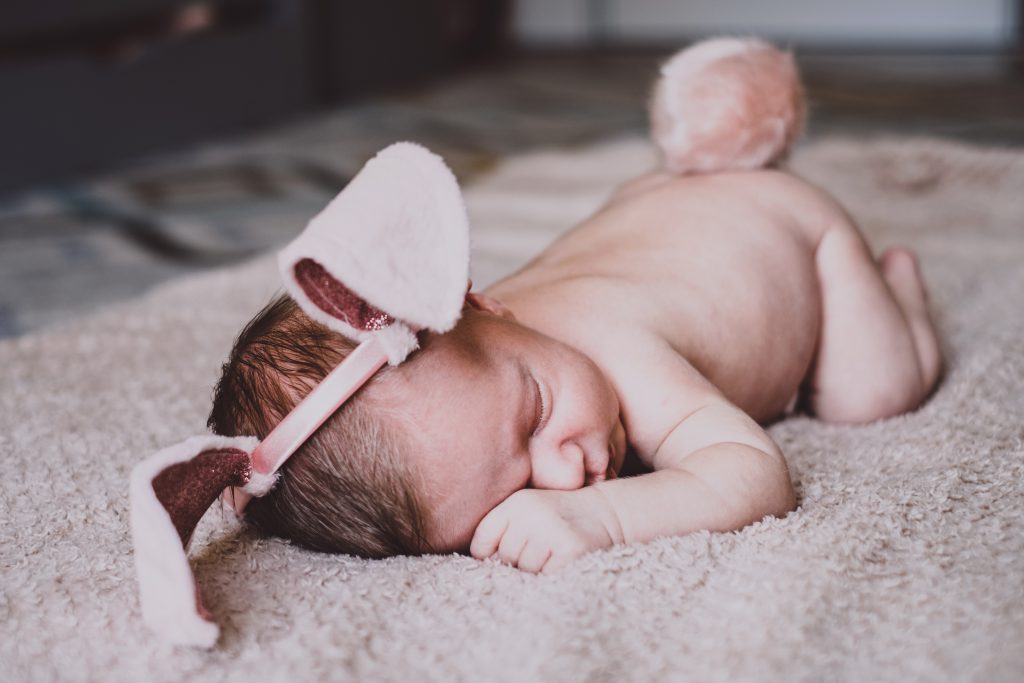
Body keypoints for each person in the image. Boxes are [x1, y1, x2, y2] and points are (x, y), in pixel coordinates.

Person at [207, 38, 942, 574]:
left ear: (487, 306)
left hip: (792, 230)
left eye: (534, 413)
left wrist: (605, 517)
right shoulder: (493, 353)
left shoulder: (615, 346)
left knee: (869, 392)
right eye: (512, 492)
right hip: (660, 208)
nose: (562, 473)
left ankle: (896, 288)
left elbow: (753, 472)